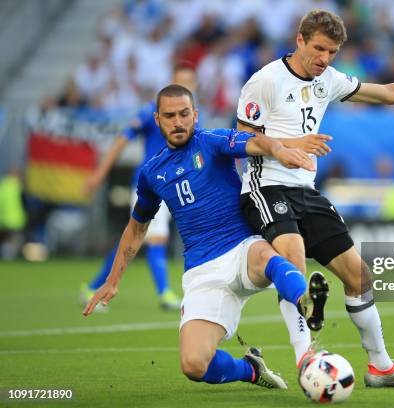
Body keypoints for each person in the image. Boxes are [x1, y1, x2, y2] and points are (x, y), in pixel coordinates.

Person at [236, 8, 394, 388]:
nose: (325, 59)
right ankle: (306, 357)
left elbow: (388, 93)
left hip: (305, 191)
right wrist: (289, 145)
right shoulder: (265, 81)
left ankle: (381, 366)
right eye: (320, 49)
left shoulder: (329, 80)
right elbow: (241, 141)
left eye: (333, 52)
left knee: (359, 275)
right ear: (300, 41)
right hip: (265, 187)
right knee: (293, 262)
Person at [83, 84, 326, 389]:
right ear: (157, 119)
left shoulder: (212, 141)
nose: (178, 122)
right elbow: (136, 228)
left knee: (268, 257)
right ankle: (250, 369)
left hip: (242, 248)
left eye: (184, 114)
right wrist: (114, 279)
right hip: (202, 272)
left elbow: (256, 141)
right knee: (194, 364)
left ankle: (305, 302)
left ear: (195, 115)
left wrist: (280, 149)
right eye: (170, 116)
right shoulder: (151, 173)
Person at [80, 65, 198, 311]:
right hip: (152, 185)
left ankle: (94, 286)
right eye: (181, 81)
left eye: (189, 82)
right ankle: (165, 293)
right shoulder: (150, 113)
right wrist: (100, 174)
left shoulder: (195, 118)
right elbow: (121, 140)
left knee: (133, 237)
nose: (185, 85)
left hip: (177, 185)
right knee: (156, 236)